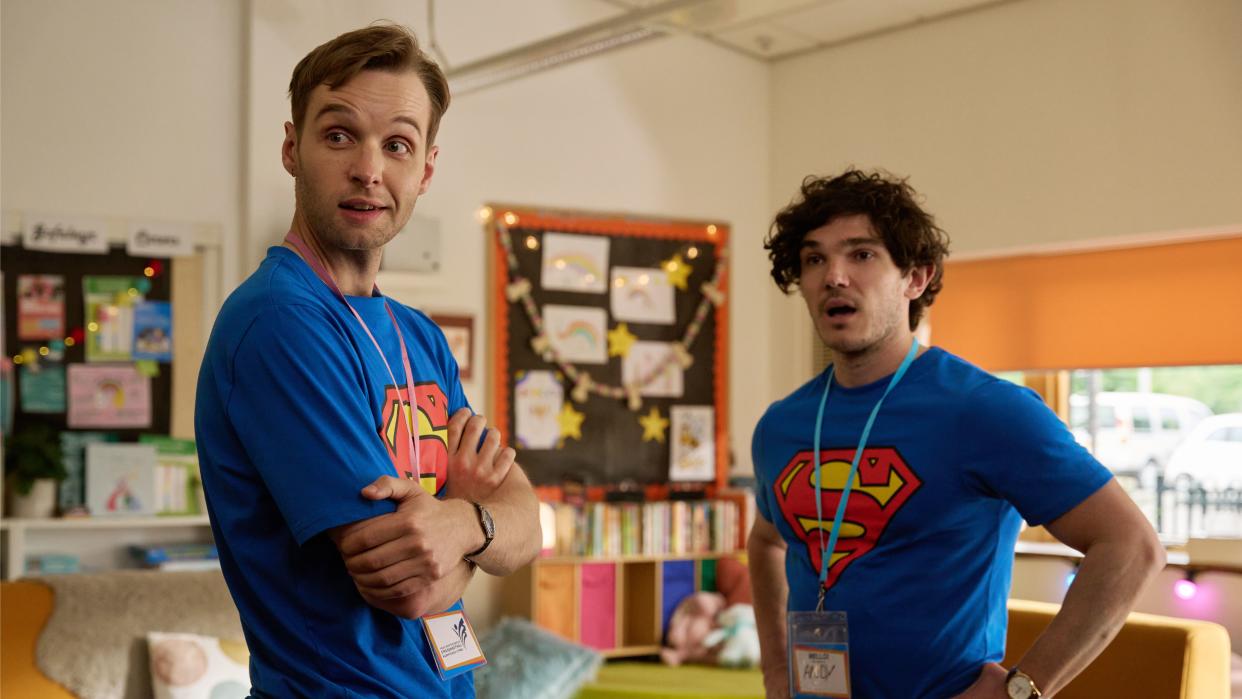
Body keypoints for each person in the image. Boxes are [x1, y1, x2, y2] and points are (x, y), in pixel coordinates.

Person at [195, 24, 541, 698]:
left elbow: (532, 521)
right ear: (292, 148)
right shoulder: (279, 321)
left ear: (426, 171)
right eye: (339, 134)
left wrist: (462, 522)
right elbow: (409, 586)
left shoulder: (418, 336)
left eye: (398, 145)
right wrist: (474, 510)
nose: (369, 169)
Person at [748, 169, 1164, 698]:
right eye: (814, 259)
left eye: (862, 255)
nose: (834, 276)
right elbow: (765, 541)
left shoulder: (986, 410)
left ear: (916, 278)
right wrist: (775, 672)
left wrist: (1024, 689)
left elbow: (1131, 546)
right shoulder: (781, 425)